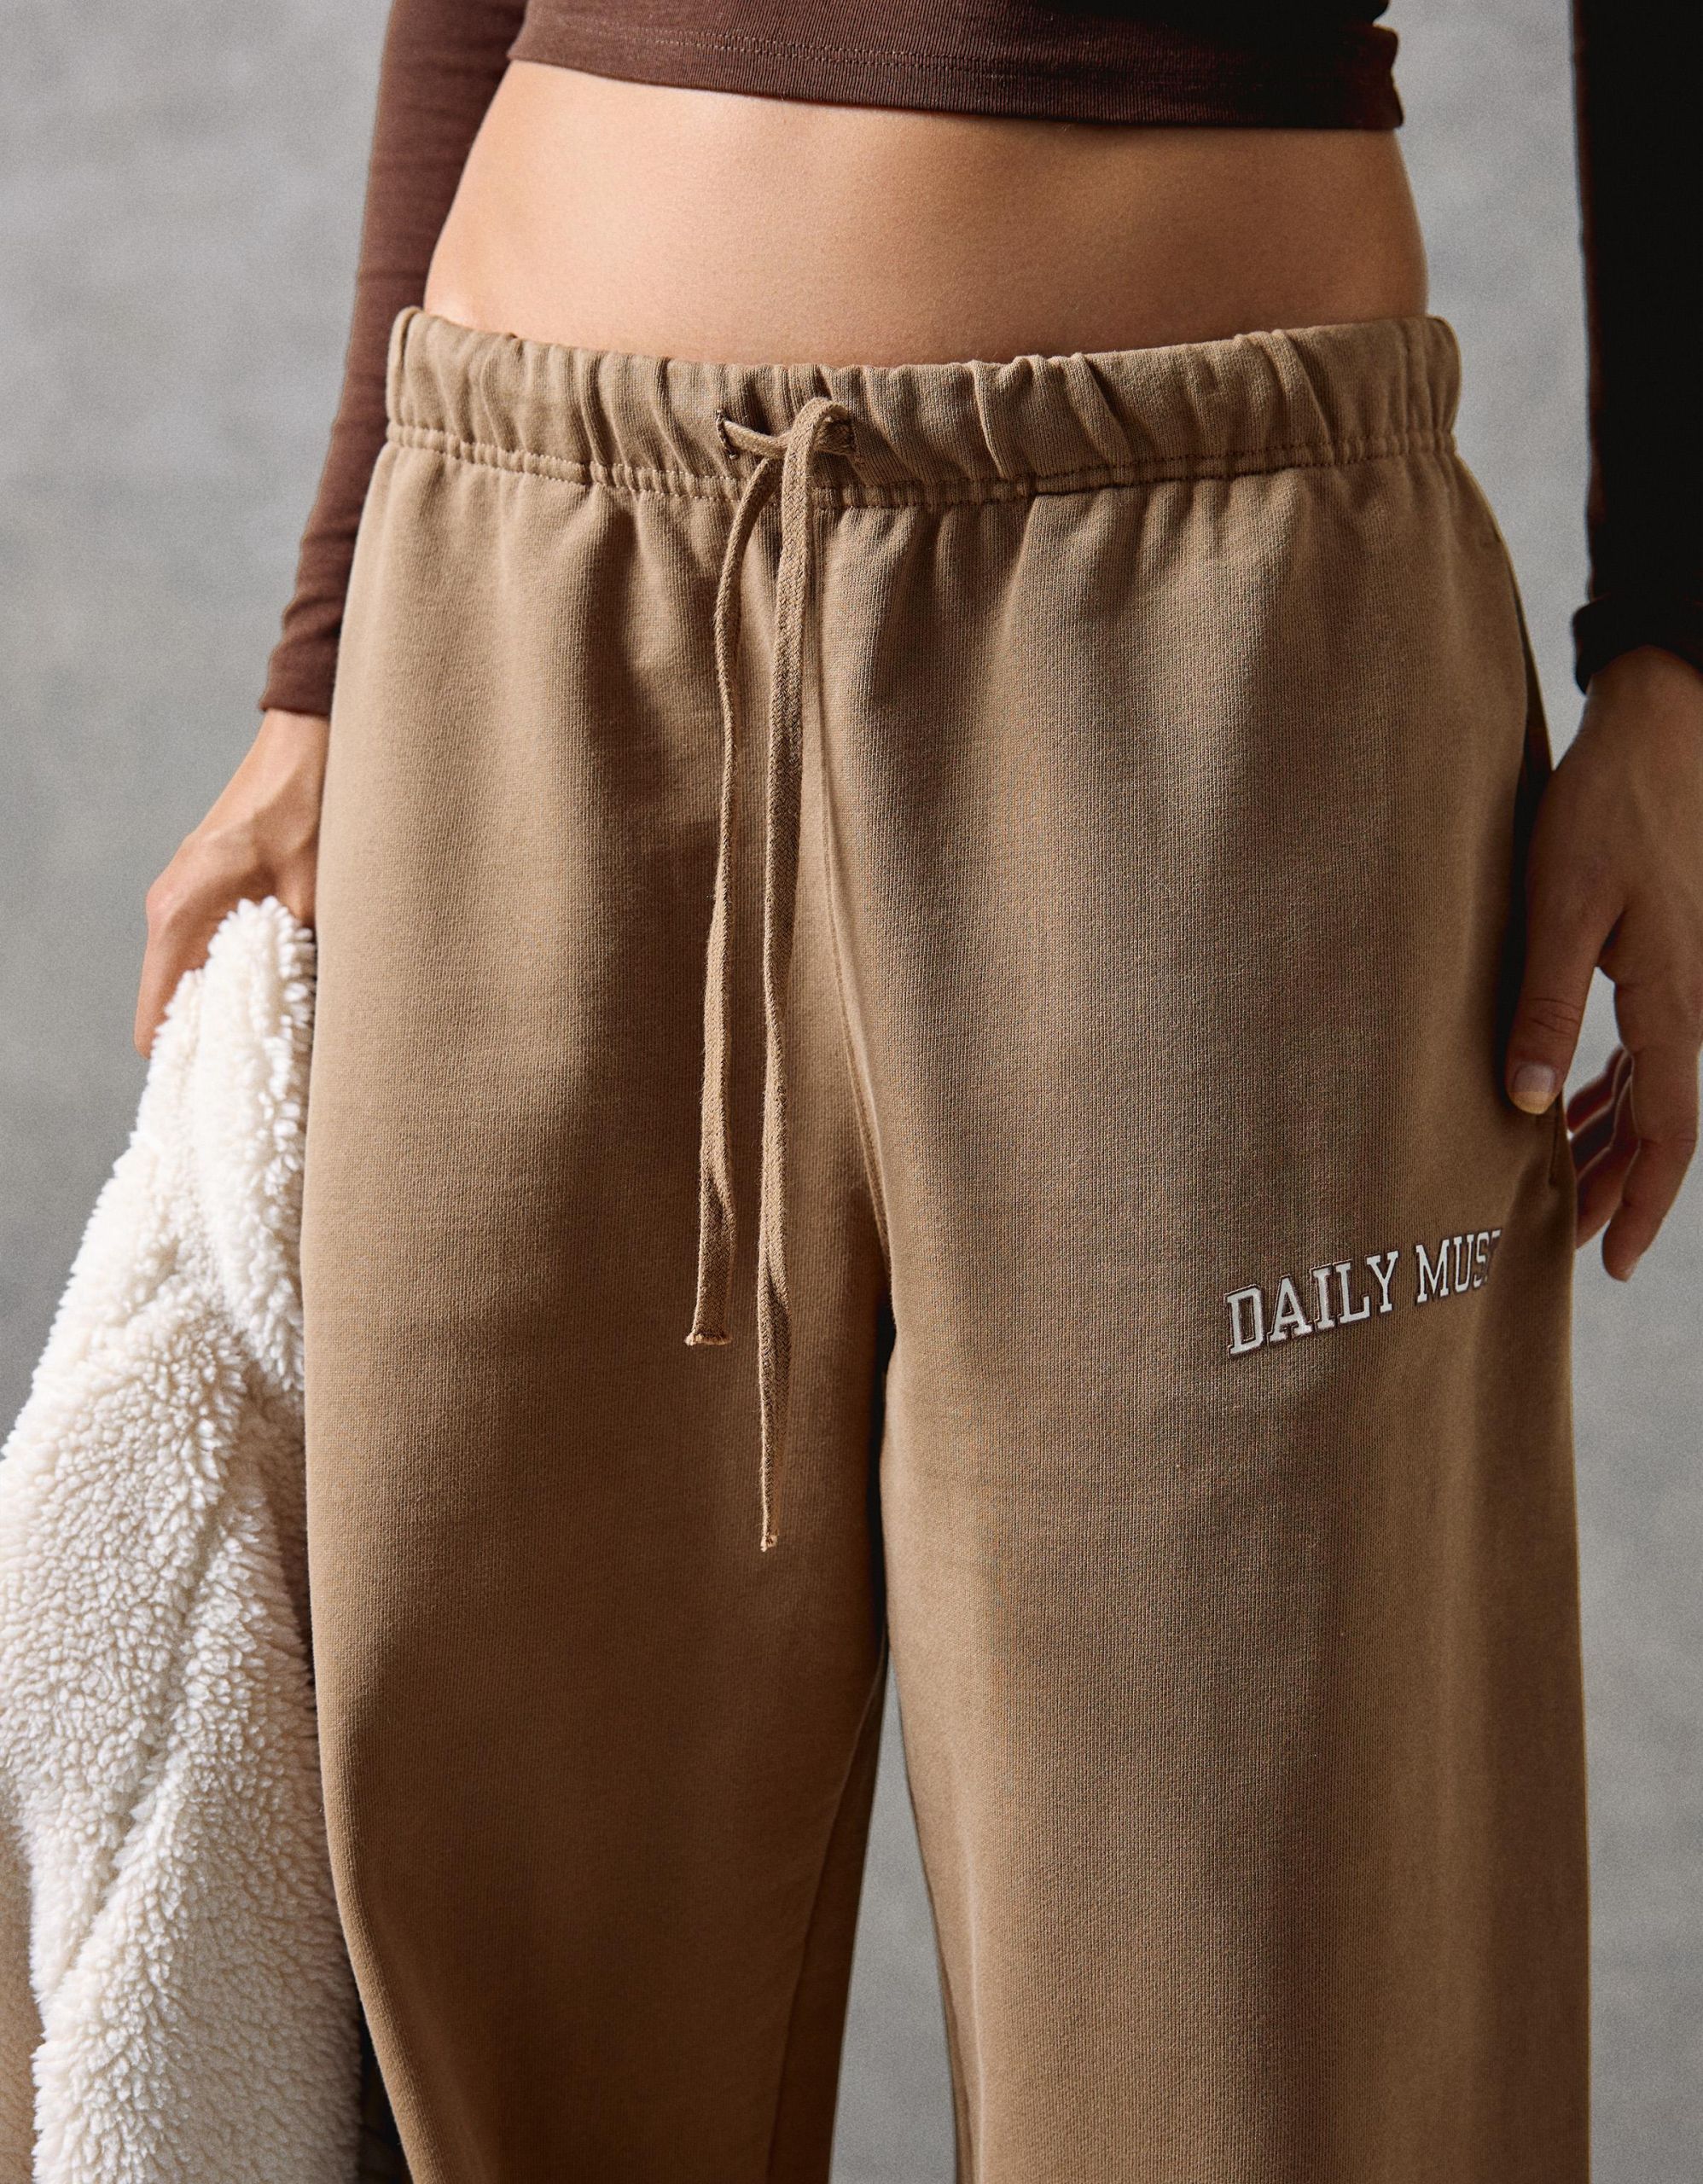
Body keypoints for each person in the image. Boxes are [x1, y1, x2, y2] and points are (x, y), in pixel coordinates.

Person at [130, 5, 1700, 2180]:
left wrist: (1676, 651)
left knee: (1256, 2008)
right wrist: (320, 667)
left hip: (1220, 634)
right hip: (532, 590)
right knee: (486, 1957)